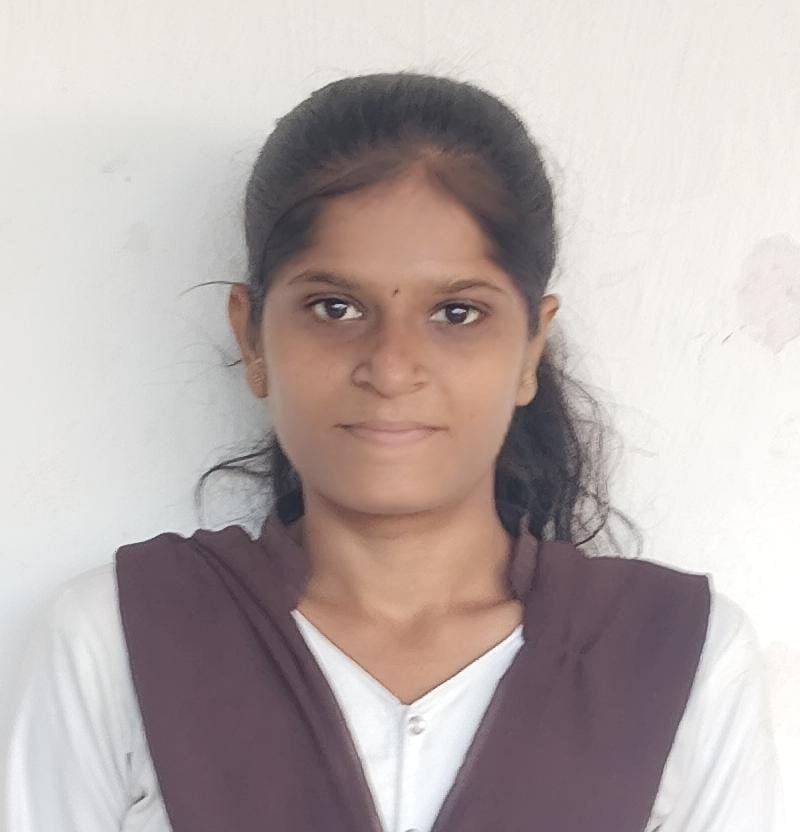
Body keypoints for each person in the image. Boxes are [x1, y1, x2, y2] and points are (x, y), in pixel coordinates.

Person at [4, 72, 783, 831]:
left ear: (530, 347)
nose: (391, 367)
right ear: (252, 337)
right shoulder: (122, 639)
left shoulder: (677, 657)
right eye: (334, 307)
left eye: (456, 313)